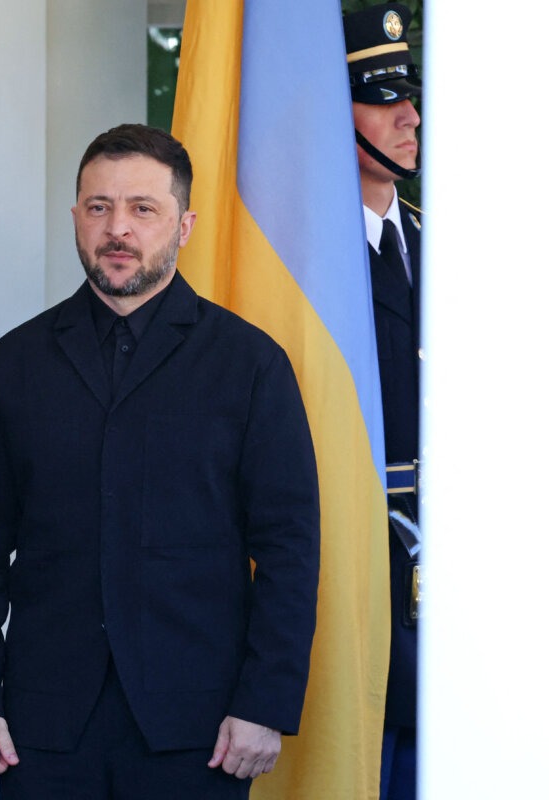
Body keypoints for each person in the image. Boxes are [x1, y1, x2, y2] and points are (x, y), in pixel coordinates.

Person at [0, 124, 320, 799]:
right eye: (98, 207)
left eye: (143, 209)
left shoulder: (251, 366)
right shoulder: (12, 367)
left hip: (202, 727)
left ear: (184, 224)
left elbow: (290, 549)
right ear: (77, 217)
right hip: (44, 725)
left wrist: (265, 702)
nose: (118, 228)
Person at [343, 5, 422, 800]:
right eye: (381, 96)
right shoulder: (304, 264)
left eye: (410, 94)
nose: (410, 115)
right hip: (355, 550)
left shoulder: (445, 240)